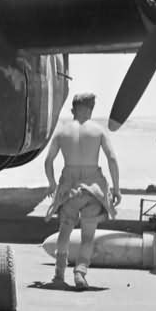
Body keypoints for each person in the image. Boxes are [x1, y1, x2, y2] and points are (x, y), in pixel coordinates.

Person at [44, 92, 121, 290]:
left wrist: (52, 183)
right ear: (91, 108)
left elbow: (48, 160)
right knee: (88, 235)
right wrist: (117, 188)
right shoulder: (98, 130)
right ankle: (80, 272)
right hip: (93, 187)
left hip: (69, 186)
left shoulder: (62, 131)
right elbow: (112, 159)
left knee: (65, 230)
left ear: (73, 108)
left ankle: (59, 273)